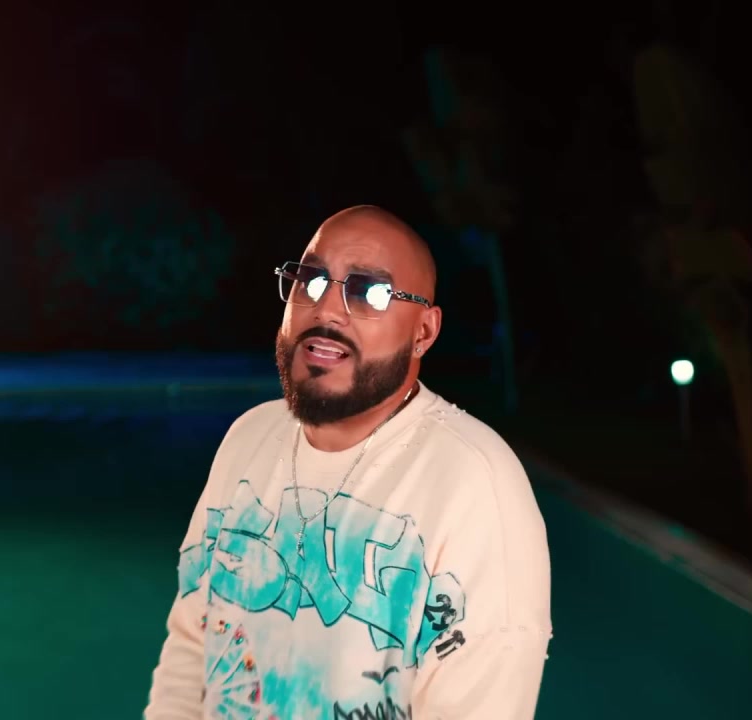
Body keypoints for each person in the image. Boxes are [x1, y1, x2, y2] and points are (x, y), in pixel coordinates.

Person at [144, 206, 552, 719]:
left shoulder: (475, 484)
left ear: (424, 332)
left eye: (370, 293)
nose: (326, 310)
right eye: (311, 281)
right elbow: (192, 644)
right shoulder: (249, 439)